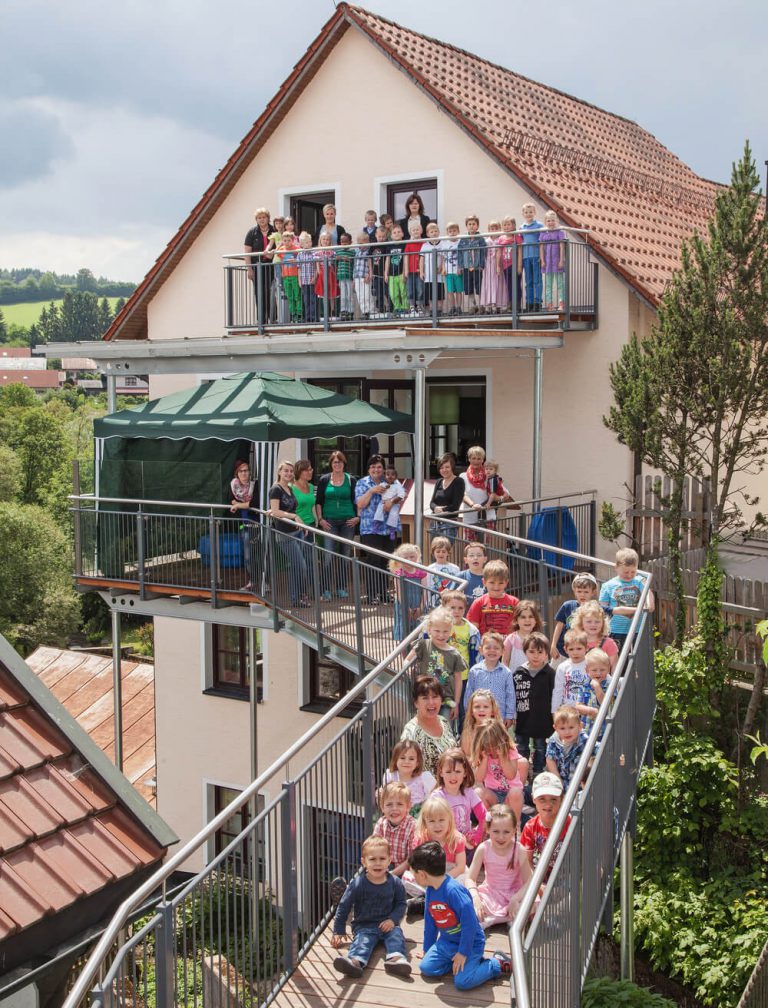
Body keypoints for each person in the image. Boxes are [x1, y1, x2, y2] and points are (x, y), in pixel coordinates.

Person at [408, 841, 512, 989]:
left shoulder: (454, 891)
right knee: (427, 967)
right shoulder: (430, 890)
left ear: (422, 874)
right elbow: (430, 923)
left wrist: (463, 953)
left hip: (471, 943)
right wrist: (427, 949)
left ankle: (496, 964)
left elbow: (470, 925)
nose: (414, 878)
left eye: (414, 874)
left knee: (463, 982)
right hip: (448, 942)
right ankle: (460, 965)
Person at [331, 835, 411, 979]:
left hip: (388, 925)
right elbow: (344, 906)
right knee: (362, 942)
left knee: (396, 936)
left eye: (382, 859)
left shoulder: (395, 883)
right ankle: (355, 962)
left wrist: (392, 920)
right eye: (372, 859)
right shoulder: (358, 883)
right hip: (364, 925)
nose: (377, 863)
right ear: (364, 862)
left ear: (389, 860)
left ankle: (396, 959)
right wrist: (338, 930)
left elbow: (401, 903)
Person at [465, 804, 532, 928]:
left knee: (532, 904)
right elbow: (470, 878)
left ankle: (492, 919)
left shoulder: (519, 850)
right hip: (491, 894)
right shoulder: (483, 848)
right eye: (496, 831)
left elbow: (529, 881)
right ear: (488, 829)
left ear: (514, 830)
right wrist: (475, 897)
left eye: (506, 832)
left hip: (514, 893)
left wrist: (516, 899)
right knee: (468, 904)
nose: (501, 837)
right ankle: (507, 918)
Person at [408, 606, 465, 721]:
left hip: (446, 699)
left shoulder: (454, 654)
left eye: (445, 631)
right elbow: (408, 659)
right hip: (425, 696)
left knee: (444, 726)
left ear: (450, 631)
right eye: (437, 631)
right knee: (425, 725)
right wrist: (408, 670)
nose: (441, 635)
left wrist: (456, 703)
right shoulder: (424, 644)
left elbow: (458, 680)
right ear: (429, 629)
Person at [316, 451, 358, 600]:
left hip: (348, 521)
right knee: (328, 555)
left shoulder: (351, 479)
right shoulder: (324, 479)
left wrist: (357, 517)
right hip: (329, 521)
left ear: (344, 463)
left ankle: (341, 587)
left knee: (344, 555)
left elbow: (357, 500)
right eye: (335, 462)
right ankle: (325, 589)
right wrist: (320, 519)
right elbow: (319, 502)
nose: (337, 464)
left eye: (340, 462)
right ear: (331, 464)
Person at [512, 632, 556, 777]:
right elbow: (513, 696)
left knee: (541, 747)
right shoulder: (519, 673)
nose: (535, 656)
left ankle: (538, 771)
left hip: (543, 719)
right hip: (523, 717)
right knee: (522, 747)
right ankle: (522, 773)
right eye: (531, 652)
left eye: (540, 652)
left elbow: (555, 695)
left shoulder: (550, 673)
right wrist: (513, 714)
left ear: (546, 654)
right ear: (525, 652)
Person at [268, 459, 310, 607]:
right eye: (286, 470)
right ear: (279, 472)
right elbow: (276, 511)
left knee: (295, 566)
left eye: (291, 471)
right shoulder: (276, 489)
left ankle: (297, 598)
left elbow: (288, 509)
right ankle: (296, 597)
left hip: (297, 531)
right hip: (285, 534)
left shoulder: (290, 488)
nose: (289, 473)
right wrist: (294, 517)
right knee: (301, 565)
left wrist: (301, 524)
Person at [519, 772, 572, 884]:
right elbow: (526, 862)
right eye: (542, 799)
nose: (548, 805)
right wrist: (537, 885)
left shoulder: (571, 822)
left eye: (553, 799)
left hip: (570, 876)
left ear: (561, 798)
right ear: (533, 798)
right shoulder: (530, 827)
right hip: (542, 878)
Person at [401, 676, 457, 777]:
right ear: (416, 703)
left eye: (435, 697)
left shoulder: (443, 721)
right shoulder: (411, 732)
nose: (431, 702)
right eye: (425, 698)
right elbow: (406, 772)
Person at [432, 747, 486, 852]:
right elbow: (437, 826)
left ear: (465, 772)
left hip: (466, 844)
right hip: (444, 845)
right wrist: (462, 840)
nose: (453, 776)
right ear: (441, 772)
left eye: (457, 771)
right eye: (448, 772)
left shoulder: (469, 793)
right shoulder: (437, 797)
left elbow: (484, 816)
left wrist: (477, 835)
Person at [355, 454, 392, 603]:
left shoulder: (388, 482)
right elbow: (360, 504)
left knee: (385, 561)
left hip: (387, 528)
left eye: (379, 467)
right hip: (370, 529)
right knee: (373, 560)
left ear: (383, 469)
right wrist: (371, 491)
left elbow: (394, 504)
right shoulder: (362, 483)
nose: (376, 469)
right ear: (368, 469)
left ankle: (384, 593)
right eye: (372, 466)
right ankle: (371, 594)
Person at [599, 547, 654, 650]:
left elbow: (650, 607)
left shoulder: (640, 582)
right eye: (626, 572)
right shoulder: (608, 586)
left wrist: (647, 587)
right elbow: (603, 610)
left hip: (637, 630)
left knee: (636, 659)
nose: (629, 575)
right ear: (616, 567)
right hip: (615, 631)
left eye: (633, 572)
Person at [469, 718, 524, 819]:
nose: (490, 749)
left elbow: (511, 775)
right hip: (493, 794)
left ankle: (515, 825)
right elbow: (479, 778)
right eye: (486, 746)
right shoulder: (483, 754)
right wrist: (485, 759)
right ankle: (486, 824)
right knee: (478, 792)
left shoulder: (510, 750)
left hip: (510, 794)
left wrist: (502, 757)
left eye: (493, 745)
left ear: (501, 740)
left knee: (516, 792)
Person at [465, 631, 516, 727]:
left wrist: (509, 715)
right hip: (479, 718)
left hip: (499, 718)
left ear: (502, 651)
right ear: (481, 650)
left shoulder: (506, 673)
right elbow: (469, 694)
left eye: (496, 648)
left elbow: (510, 696)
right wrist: (468, 713)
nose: (492, 651)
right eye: (488, 648)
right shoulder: (475, 671)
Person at [550, 572, 602, 659]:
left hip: (583, 653)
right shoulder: (567, 606)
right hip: (562, 651)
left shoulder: (595, 609)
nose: (582, 594)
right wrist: (553, 645)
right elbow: (559, 626)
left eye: (586, 592)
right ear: (574, 591)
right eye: (579, 591)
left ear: (593, 592)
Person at [373, 782, 417, 877]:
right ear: (382, 807)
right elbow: (374, 850)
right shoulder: (381, 823)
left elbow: (411, 859)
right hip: (383, 866)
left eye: (399, 804)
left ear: (408, 806)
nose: (394, 809)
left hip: (405, 871)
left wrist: (391, 874)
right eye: (389, 804)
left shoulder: (413, 826)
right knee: (362, 877)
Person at [383, 740, 436, 818]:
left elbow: (434, 797)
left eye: (411, 759)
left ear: (417, 762)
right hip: (395, 818)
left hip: (418, 819)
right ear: (396, 760)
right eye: (402, 758)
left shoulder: (424, 778)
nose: (406, 761)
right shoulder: (390, 776)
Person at [466, 560, 519, 636]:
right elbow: (472, 629)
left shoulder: (515, 602)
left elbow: (520, 626)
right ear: (484, 582)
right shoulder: (478, 602)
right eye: (492, 582)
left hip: (509, 643)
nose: (496, 587)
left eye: (501, 583)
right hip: (485, 642)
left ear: (506, 583)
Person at [228, 459, 258, 592]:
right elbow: (231, 500)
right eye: (241, 471)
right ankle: (252, 580)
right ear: (237, 473)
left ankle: (266, 581)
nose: (244, 473)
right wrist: (241, 505)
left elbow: (254, 504)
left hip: (259, 524)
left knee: (262, 554)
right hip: (245, 525)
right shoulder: (233, 486)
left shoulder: (255, 485)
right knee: (247, 556)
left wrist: (238, 505)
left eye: (246, 470)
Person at [546, 705, 591, 791]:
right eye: (562, 728)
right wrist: (557, 779)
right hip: (561, 783)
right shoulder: (553, 741)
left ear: (580, 726)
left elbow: (597, 749)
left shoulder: (584, 739)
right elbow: (550, 759)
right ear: (555, 728)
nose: (567, 732)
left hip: (579, 785)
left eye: (571, 727)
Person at [390, 543, 427, 642]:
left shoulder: (421, 572)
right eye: (406, 557)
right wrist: (406, 608)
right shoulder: (399, 573)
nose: (409, 560)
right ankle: (404, 650)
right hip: (403, 604)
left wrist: (421, 607)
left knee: (419, 629)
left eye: (412, 557)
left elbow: (425, 591)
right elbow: (399, 593)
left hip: (418, 602)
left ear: (417, 557)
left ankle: (418, 650)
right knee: (404, 630)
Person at [550, 629, 591, 715]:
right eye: (571, 649)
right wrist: (554, 712)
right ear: (565, 649)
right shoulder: (562, 667)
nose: (575, 652)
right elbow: (558, 690)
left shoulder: (591, 664)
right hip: (568, 712)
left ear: (587, 648)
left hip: (587, 710)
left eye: (579, 648)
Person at [243, 207, 273, 325]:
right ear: (256, 219)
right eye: (259, 218)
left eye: (264, 217)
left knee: (271, 291)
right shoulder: (252, 232)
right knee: (259, 292)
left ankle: (273, 318)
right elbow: (247, 252)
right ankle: (261, 319)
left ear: (268, 218)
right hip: (257, 267)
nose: (262, 220)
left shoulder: (274, 230)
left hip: (271, 266)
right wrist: (249, 269)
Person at [571, 600, 619, 670]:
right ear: (581, 623)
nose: (593, 625)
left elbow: (615, 668)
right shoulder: (576, 642)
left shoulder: (609, 643)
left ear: (603, 623)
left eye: (597, 622)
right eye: (589, 621)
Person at [429, 452, 464, 541]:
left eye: (447, 467)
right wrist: (435, 508)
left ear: (452, 467)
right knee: (434, 549)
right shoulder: (439, 481)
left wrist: (442, 510)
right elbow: (432, 503)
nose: (444, 470)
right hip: (435, 522)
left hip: (449, 523)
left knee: (445, 548)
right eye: (441, 468)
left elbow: (455, 505)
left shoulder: (459, 481)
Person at [502, 600, 544, 671]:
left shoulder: (540, 639)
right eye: (523, 617)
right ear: (516, 620)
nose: (527, 620)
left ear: (536, 620)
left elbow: (544, 662)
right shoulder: (511, 639)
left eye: (531, 616)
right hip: (515, 677)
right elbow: (505, 662)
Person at [458, 214, 486, 314]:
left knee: (479, 287)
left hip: (477, 267)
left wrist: (482, 265)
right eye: (469, 224)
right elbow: (460, 253)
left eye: (474, 224)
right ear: (466, 226)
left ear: (477, 226)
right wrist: (460, 266)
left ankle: (481, 306)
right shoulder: (463, 239)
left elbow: (483, 252)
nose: (471, 226)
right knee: (468, 288)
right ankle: (473, 306)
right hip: (466, 267)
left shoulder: (480, 239)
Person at [539, 210, 567, 310]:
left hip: (557, 261)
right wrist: (542, 260)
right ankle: (549, 304)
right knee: (548, 285)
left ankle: (561, 303)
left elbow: (562, 247)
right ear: (545, 222)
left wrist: (561, 260)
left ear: (557, 221)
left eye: (553, 220)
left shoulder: (560, 232)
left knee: (560, 284)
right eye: (548, 221)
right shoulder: (543, 233)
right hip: (547, 262)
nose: (551, 223)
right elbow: (541, 248)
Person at [371, 464, 406, 541]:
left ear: (396, 477)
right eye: (388, 474)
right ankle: (376, 525)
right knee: (378, 512)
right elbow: (378, 491)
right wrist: (384, 488)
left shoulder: (398, 486)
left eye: (392, 475)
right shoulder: (383, 484)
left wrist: (392, 501)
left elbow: (401, 495)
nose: (390, 476)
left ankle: (392, 531)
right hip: (383, 502)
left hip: (394, 504)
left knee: (394, 515)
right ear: (384, 476)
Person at [460, 445, 489, 538]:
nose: (476, 461)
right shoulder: (463, 476)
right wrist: (473, 505)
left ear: (483, 460)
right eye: (473, 458)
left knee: (485, 545)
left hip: (486, 518)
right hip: (469, 519)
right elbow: (462, 494)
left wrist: (499, 498)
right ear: (469, 459)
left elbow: (503, 493)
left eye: (479, 458)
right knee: (469, 545)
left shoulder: (489, 475)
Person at [520, 202, 543, 311]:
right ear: (523, 214)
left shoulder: (539, 226)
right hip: (526, 257)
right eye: (526, 212)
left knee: (537, 280)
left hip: (536, 256)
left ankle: (537, 303)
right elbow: (520, 241)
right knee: (528, 281)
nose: (528, 214)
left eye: (531, 212)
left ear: (535, 213)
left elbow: (542, 242)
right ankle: (529, 303)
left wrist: (542, 256)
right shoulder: (521, 227)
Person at [425, 537, 461, 607]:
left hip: (451, 602)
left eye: (443, 551)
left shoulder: (455, 568)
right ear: (433, 552)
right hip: (434, 603)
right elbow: (427, 588)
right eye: (438, 551)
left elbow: (457, 586)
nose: (441, 554)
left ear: (448, 553)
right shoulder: (429, 569)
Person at [480, 220, 506, 313]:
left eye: (496, 228)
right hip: (488, 265)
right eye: (492, 229)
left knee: (497, 283)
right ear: (489, 230)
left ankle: (497, 304)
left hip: (497, 264)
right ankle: (488, 304)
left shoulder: (500, 240)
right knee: (488, 283)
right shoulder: (486, 241)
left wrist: (498, 265)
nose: (494, 230)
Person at [496, 215, 522, 311]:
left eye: (508, 224)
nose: (506, 227)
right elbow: (499, 252)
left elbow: (520, 251)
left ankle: (517, 304)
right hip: (505, 266)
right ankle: (511, 304)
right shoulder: (501, 238)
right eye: (504, 225)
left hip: (514, 265)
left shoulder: (516, 237)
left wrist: (519, 266)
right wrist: (498, 266)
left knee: (516, 285)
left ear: (514, 226)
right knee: (509, 286)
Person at [482, 458, 516, 529]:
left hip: (495, 499)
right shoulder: (495, 478)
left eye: (491, 469)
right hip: (498, 499)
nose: (488, 471)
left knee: (483, 508)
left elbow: (493, 494)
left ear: (495, 471)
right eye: (486, 469)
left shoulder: (492, 480)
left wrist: (488, 503)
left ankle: (487, 525)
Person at [314, 232, 339, 321]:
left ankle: (333, 311)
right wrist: (318, 271)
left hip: (330, 272)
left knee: (332, 292)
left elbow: (334, 263)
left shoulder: (332, 252)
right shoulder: (317, 252)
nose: (325, 241)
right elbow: (317, 263)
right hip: (322, 272)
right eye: (324, 239)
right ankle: (324, 313)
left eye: (327, 239)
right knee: (323, 293)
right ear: (320, 240)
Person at [384, 224, 408, 315]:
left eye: (399, 232)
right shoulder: (389, 246)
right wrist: (386, 273)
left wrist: (405, 272)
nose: (397, 234)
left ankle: (405, 307)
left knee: (403, 292)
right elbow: (387, 260)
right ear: (391, 236)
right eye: (394, 232)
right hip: (391, 274)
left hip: (401, 272)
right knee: (393, 293)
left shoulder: (404, 245)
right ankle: (397, 307)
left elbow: (405, 259)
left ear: (402, 234)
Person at [421, 221, 444, 314]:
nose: (434, 233)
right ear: (427, 234)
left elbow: (443, 257)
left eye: (436, 231)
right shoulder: (425, 245)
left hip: (439, 275)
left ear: (438, 232)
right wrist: (421, 272)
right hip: (428, 276)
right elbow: (421, 259)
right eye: (431, 232)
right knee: (430, 294)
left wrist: (441, 267)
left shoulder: (442, 244)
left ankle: (440, 310)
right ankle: (432, 310)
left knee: (440, 294)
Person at [291, 459, 317, 542]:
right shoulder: (290, 487)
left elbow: (312, 505)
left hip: (311, 525)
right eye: (307, 470)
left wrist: (316, 521)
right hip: (297, 526)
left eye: (311, 469)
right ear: (299, 472)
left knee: (310, 550)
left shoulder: (311, 486)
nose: (310, 472)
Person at [441, 221, 463, 315]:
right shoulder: (445, 244)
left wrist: (460, 267)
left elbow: (462, 256)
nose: (452, 233)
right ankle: (452, 308)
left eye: (454, 231)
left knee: (458, 291)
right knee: (450, 291)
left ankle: (458, 308)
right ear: (447, 233)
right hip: (448, 271)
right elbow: (443, 257)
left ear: (458, 231)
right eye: (450, 231)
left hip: (457, 271)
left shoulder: (460, 242)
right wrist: (443, 268)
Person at [297, 231, 317, 324]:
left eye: (310, 241)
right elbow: (299, 268)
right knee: (306, 299)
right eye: (306, 242)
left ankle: (313, 317)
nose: (309, 244)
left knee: (313, 299)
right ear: (301, 244)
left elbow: (316, 267)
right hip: (304, 280)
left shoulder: (314, 253)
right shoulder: (300, 254)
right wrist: (299, 280)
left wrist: (315, 277)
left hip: (312, 280)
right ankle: (307, 317)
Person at [335, 232, 356, 321]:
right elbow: (334, 259)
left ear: (350, 242)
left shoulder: (352, 252)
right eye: (342, 241)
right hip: (341, 276)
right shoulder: (338, 251)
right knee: (343, 295)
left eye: (345, 241)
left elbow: (355, 262)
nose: (343, 243)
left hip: (349, 275)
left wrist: (350, 260)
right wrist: (337, 258)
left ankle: (351, 311)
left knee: (350, 295)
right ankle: (344, 311)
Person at [369, 225, 390, 316]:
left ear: (386, 236)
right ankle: (381, 309)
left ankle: (391, 308)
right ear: (376, 235)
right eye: (379, 236)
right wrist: (371, 272)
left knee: (388, 292)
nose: (381, 239)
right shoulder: (372, 246)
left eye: (383, 237)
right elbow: (369, 259)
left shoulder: (387, 246)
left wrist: (386, 273)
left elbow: (388, 259)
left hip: (385, 274)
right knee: (378, 293)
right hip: (376, 275)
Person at [353, 231, 372, 318]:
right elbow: (355, 265)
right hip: (357, 277)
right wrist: (354, 278)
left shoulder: (368, 252)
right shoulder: (357, 252)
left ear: (367, 242)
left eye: (362, 243)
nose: (360, 245)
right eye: (359, 243)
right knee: (360, 295)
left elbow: (370, 264)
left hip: (365, 276)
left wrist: (369, 274)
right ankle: (364, 312)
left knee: (367, 295)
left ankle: (370, 311)